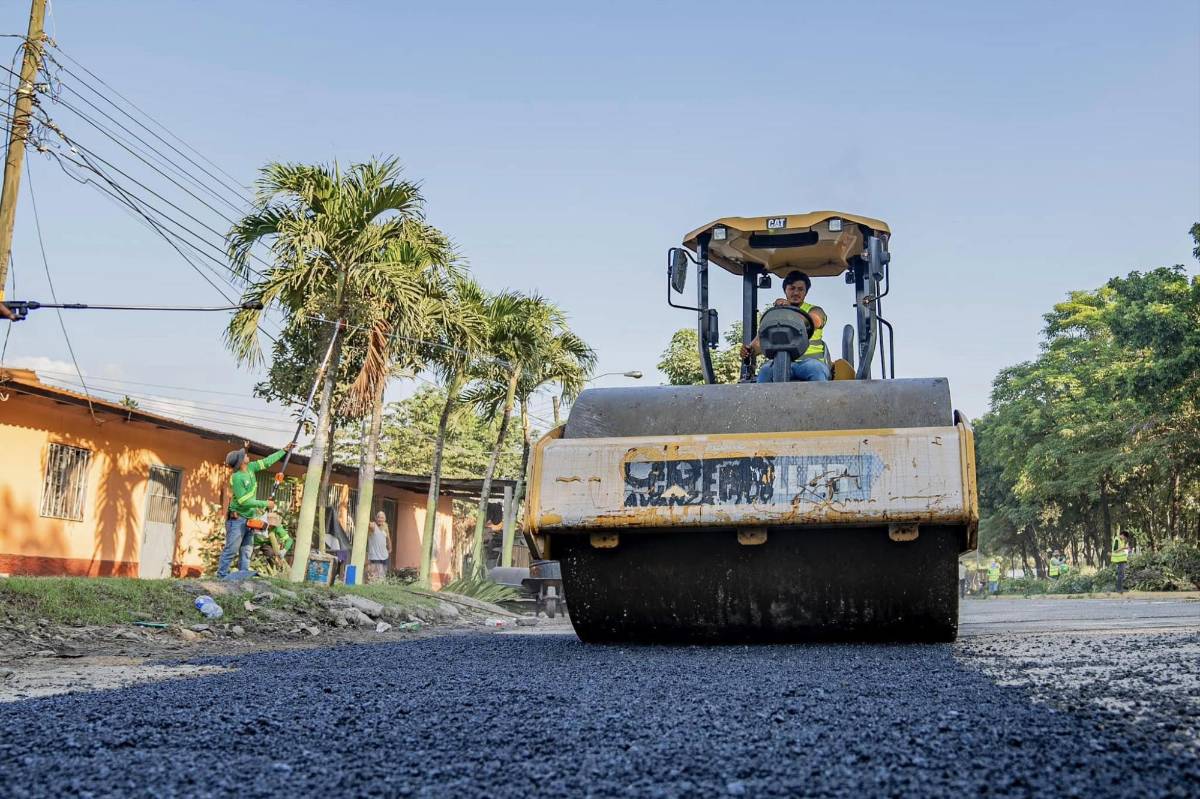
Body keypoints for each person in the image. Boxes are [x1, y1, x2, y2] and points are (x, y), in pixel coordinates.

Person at [218, 443, 293, 579]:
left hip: (249, 519)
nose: (247, 455)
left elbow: (267, 461)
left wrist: (284, 450)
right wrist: (265, 503)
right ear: (241, 462)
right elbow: (243, 501)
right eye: (244, 456)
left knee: (247, 549)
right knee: (232, 549)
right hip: (237, 519)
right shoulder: (237, 477)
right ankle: (221, 576)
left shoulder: (251, 467)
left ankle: (243, 575)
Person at [739, 270, 831, 382]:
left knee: (816, 369)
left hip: (810, 362)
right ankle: (763, 400)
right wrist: (749, 350)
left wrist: (789, 310)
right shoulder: (774, 315)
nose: (796, 293)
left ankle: (820, 400)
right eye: (792, 288)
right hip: (781, 363)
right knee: (765, 371)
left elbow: (815, 320)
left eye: (800, 289)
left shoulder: (815, 310)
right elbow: (760, 342)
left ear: (806, 292)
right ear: (785, 290)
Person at [366, 511, 391, 583]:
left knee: (382, 576)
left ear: (384, 519)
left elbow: (388, 538)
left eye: (382, 517)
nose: (380, 519)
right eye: (378, 517)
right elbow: (369, 525)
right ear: (376, 518)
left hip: (384, 556)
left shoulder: (385, 526)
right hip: (374, 556)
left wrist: (390, 548)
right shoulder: (373, 526)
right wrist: (370, 523)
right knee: (373, 576)